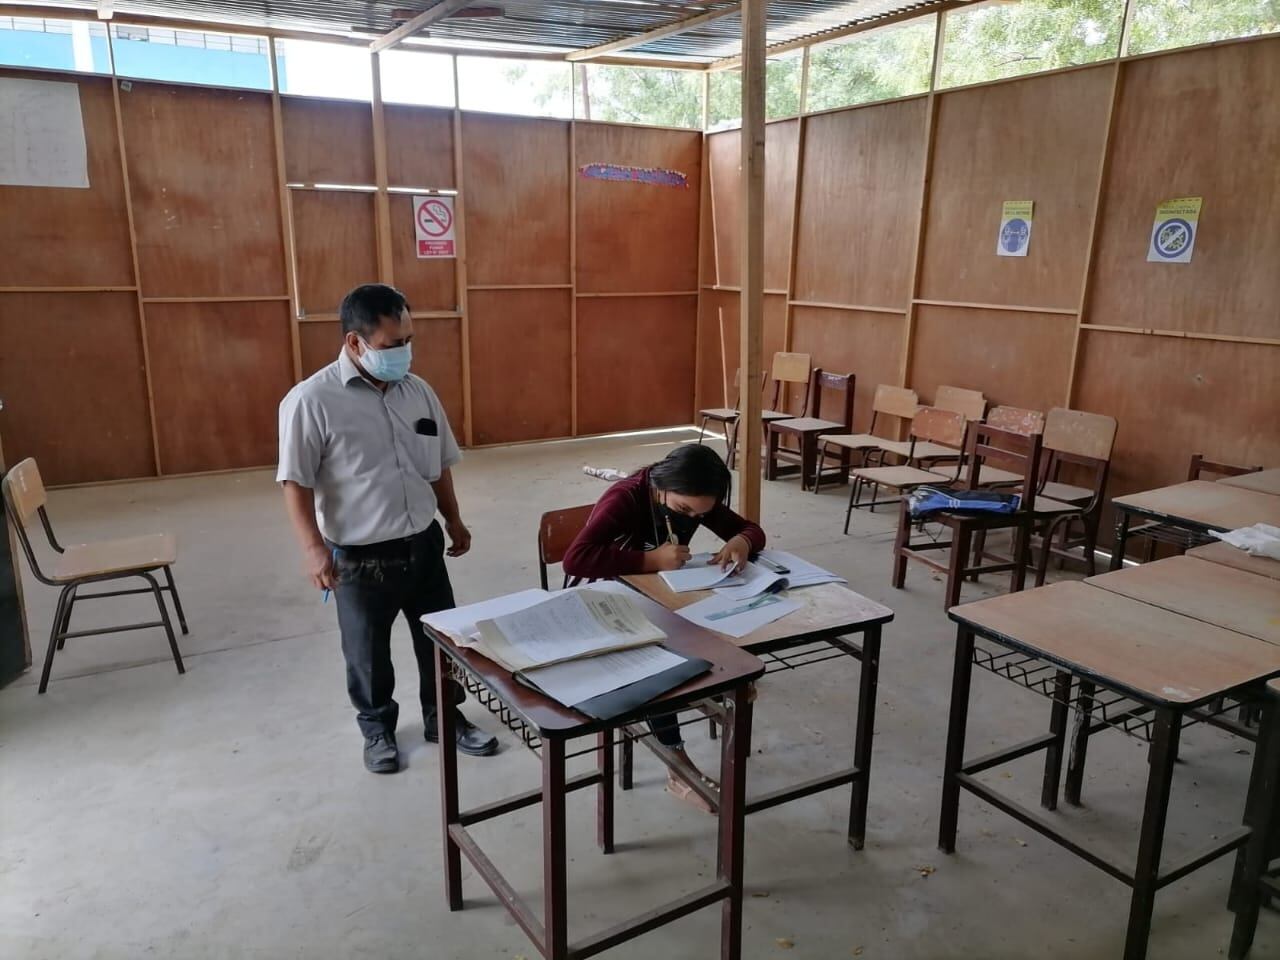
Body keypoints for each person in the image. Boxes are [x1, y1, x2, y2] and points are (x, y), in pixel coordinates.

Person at [277, 283, 497, 774]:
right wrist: (313, 549)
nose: (404, 353)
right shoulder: (311, 401)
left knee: (441, 640)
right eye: (392, 344)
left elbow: (438, 463)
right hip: (359, 556)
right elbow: (295, 482)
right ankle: (377, 729)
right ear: (356, 342)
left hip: (422, 543)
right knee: (367, 652)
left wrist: (453, 517)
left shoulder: (417, 392)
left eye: (409, 340)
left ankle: (445, 716)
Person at [562, 443, 765, 806]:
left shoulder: (696, 501)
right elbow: (576, 560)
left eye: (700, 513)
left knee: (717, 620)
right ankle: (677, 764)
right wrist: (648, 560)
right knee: (658, 660)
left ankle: (715, 686)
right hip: (601, 599)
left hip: (657, 594)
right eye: (683, 509)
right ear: (661, 485)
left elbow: (752, 530)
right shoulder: (626, 498)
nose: (691, 518)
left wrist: (741, 540)